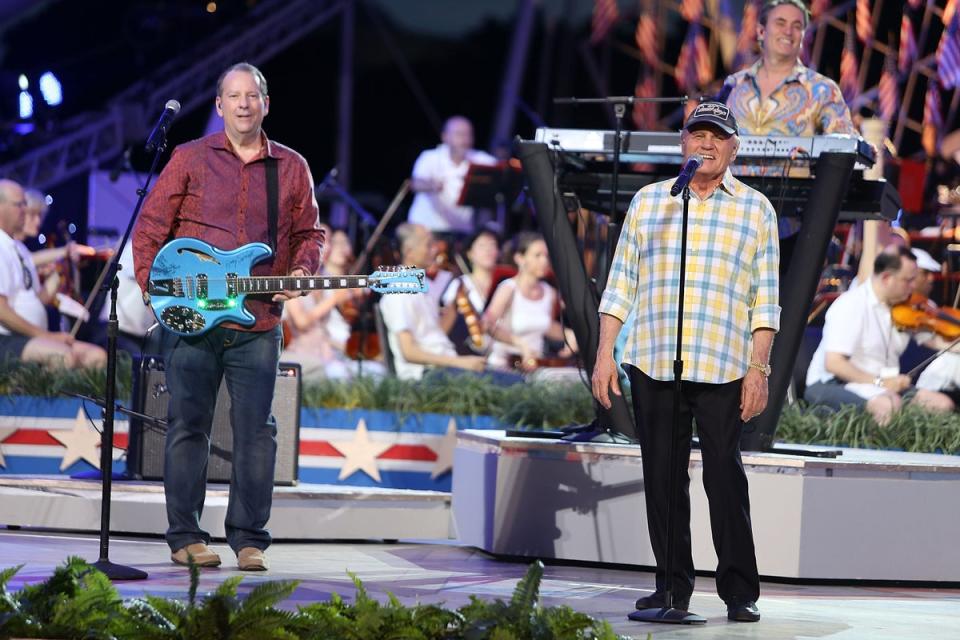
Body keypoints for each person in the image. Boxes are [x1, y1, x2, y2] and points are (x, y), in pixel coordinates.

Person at [132, 62, 324, 572]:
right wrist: (156, 288)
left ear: (265, 103)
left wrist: (303, 270)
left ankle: (248, 538)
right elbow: (151, 224)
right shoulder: (189, 157)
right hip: (192, 320)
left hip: (258, 321)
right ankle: (185, 536)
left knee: (256, 432)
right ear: (219, 106)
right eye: (233, 97)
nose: (243, 104)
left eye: (252, 96)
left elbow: (310, 234)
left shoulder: (291, 167)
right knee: (188, 426)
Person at [592, 102, 779, 623]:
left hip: (723, 365)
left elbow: (766, 299)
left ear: (734, 147)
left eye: (717, 137)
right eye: (698, 135)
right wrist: (605, 353)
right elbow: (620, 285)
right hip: (654, 360)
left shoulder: (755, 208)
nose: (707, 145)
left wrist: (758, 368)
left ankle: (740, 590)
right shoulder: (653, 202)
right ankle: (672, 587)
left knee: (724, 476)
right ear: (682, 144)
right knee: (662, 478)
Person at [721, 0, 857, 269]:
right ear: (761, 31)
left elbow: (844, 147)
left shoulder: (821, 90)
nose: (789, 31)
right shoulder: (733, 85)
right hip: (730, 218)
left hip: (791, 226)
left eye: (797, 26)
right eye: (780, 23)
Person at [804, 247, 954, 425]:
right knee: (889, 405)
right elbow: (834, 364)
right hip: (832, 383)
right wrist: (880, 382)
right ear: (886, 278)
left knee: (941, 404)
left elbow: (935, 340)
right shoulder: (852, 304)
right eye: (908, 280)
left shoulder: (903, 306)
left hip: (879, 385)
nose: (913, 286)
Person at [0, 179, 106, 369]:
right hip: (7, 338)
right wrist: (46, 336)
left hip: (30, 337)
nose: (25, 209)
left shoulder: (19, 248)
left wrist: (56, 276)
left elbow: (37, 299)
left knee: (96, 357)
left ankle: (73, 399)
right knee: (62, 357)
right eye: (20, 204)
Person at [378, 223, 486, 380]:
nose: (435, 250)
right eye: (428, 245)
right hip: (423, 376)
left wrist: (454, 307)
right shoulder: (398, 292)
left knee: (510, 381)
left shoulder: (423, 286)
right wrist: (458, 362)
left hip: (444, 368)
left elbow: (434, 334)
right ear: (409, 252)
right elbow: (408, 352)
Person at [282, 226, 385, 380]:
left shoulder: (324, 280)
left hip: (327, 352)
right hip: (302, 353)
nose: (327, 246)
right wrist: (334, 300)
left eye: (328, 241)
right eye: (321, 240)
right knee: (338, 374)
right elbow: (301, 322)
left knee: (376, 372)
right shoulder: (293, 277)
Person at [483, 232, 577, 375]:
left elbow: (546, 325)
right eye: (537, 255)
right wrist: (520, 344)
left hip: (534, 367)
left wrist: (569, 334)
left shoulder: (549, 293)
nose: (544, 261)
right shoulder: (508, 288)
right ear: (520, 258)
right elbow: (488, 325)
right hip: (504, 367)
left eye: (546, 256)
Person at [407, 116, 496, 236]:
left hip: (461, 232)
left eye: (468, 134)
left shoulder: (480, 159)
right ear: (445, 137)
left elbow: (501, 170)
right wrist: (431, 185)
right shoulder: (430, 157)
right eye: (459, 134)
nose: (464, 140)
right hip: (426, 229)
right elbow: (415, 184)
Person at [439, 227, 500, 352]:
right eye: (482, 246)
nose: (488, 250)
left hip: (501, 346)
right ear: (470, 254)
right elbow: (448, 319)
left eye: (492, 245)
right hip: (468, 348)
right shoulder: (460, 284)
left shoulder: (504, 284)